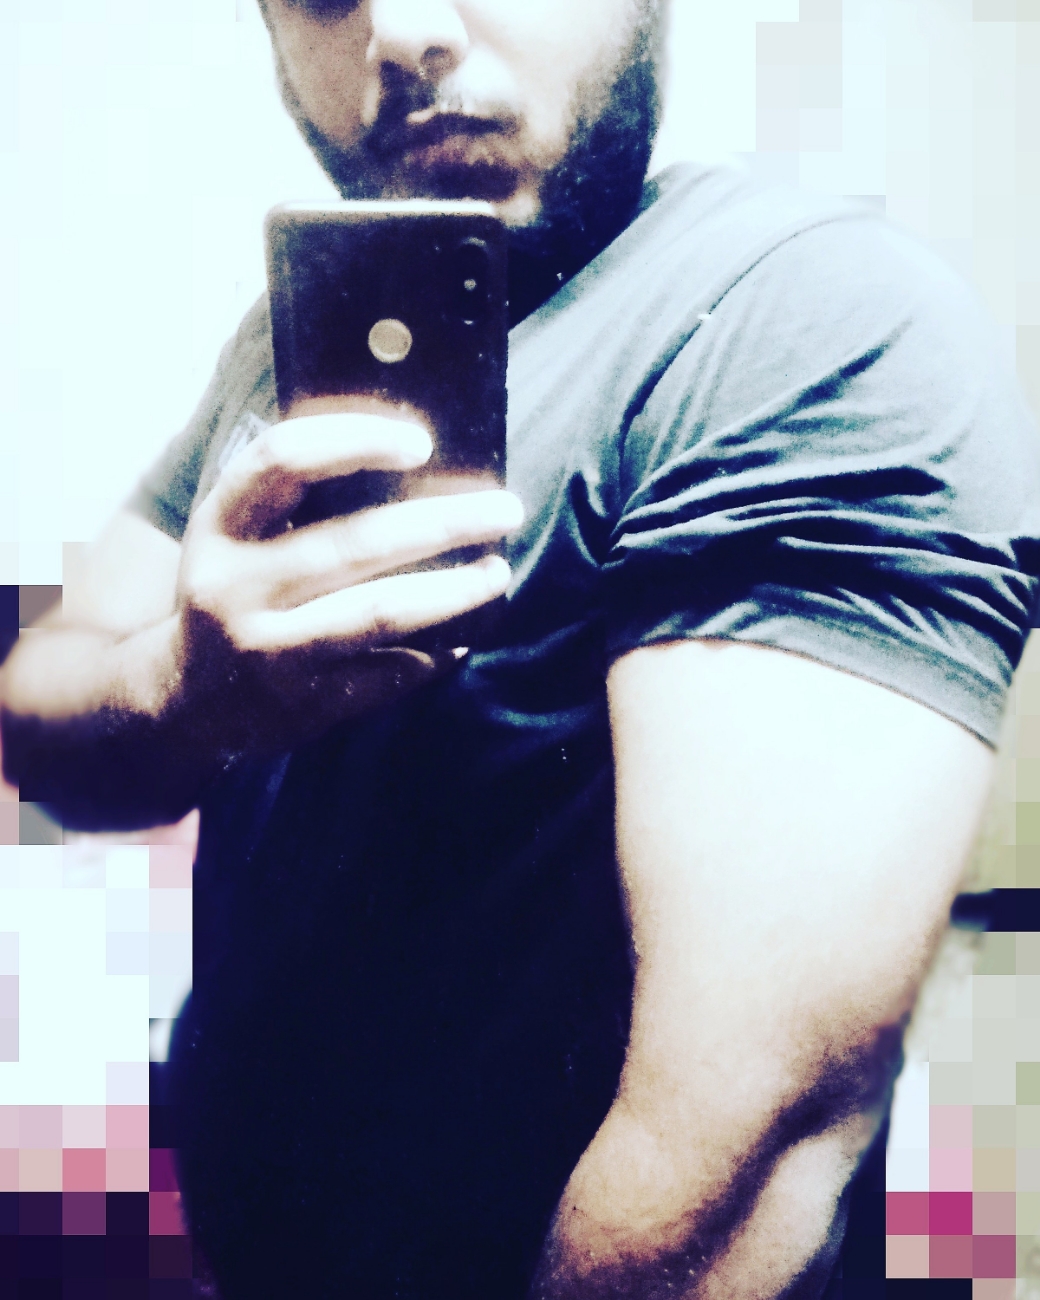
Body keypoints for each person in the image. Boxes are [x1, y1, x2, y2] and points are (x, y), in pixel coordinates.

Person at [2, 0, 1038, 1296]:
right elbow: (41, 698)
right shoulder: (286, 347)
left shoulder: (804, 326)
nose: (398, 32)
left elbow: (726, 1176)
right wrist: (181, 690)